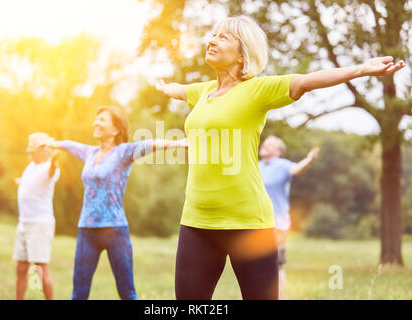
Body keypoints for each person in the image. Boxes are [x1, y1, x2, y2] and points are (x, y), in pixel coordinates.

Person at [155, 15, 405, 300]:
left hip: (248, 224)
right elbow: (180, 91)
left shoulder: (256, 90)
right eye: (213, 34)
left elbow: (306, 81)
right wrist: (165, 88)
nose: (212, 40)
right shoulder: (203, 92)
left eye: (224, 37)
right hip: (196, 221)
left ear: (243, 52)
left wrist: (360, 69)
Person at [45, 106, 188, 300]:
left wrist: (177, 144)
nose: (95, 122)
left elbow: (149, 144)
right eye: (96, 119)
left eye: (102, 120)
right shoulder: (90, 153)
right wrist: (52, 143)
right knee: (79, 293)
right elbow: (71, 145)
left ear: (115, 130)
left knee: (127, 292)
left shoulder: (123, 152)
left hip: (115, 230)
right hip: (87, 229)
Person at [259, 135, 320, 299]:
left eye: (270, 144)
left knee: (276, 265)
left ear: (279, 151)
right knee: (257, 265)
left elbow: (296, 169)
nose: (264, 145)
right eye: (265, 143)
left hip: (277, 224)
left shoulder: (282, 165)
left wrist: (308, 160)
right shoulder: (257, 166)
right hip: (257, 223)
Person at [13, 132, 60, 300]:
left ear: (42, 149)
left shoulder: (49, 167)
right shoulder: (31, 167)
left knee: (40, 269)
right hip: (24, 223)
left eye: (32, 144)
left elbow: (51, 170)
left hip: (39, 225)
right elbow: (30, 185)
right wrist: (21, 183)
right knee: (20, 267)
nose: (28, 148)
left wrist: (54, 159)